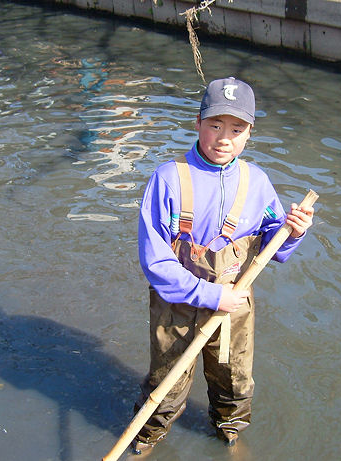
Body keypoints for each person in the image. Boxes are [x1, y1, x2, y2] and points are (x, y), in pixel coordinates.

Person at [132, 76, 314, 455]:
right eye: (215, 125)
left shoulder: (257, 182)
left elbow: (274, 246)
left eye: (236, 129)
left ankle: (229, 434)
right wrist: (212, 295)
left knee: (234, 381)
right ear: (198, 122)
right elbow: (156, 260)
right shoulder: (168, 179)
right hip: (177, 305)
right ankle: (147, 439)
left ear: (249, 133)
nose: (224, 139)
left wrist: (293, 232)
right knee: (166, 385)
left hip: (234, 308)